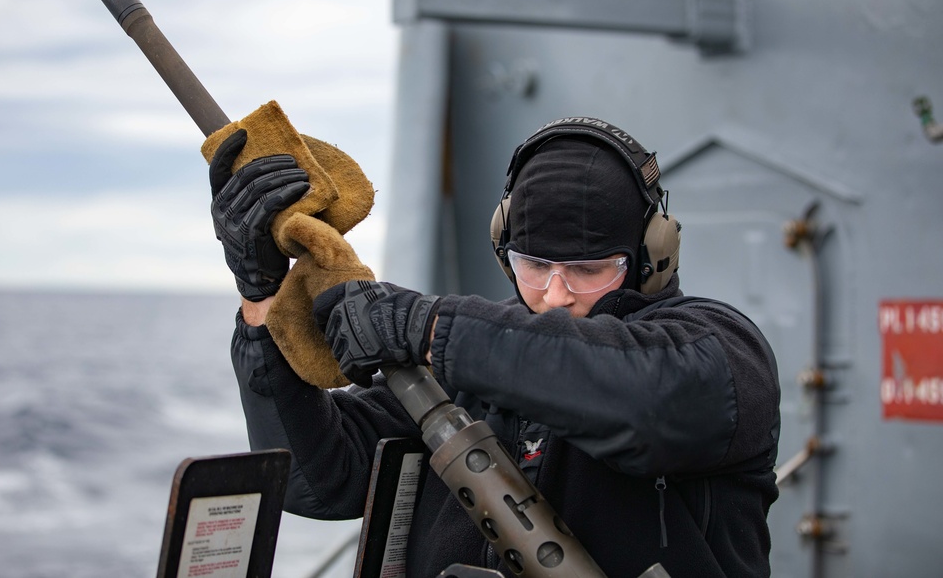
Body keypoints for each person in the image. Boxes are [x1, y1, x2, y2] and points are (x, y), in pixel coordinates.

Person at [209, 117, 781, 577]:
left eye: (589, 270)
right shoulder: (470, 358)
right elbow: (321, 480)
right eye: (533, 265)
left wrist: (428, 327)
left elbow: (646, 393)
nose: (555, 295)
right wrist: (263, 298)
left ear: (652, 256)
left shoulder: (720, 350)